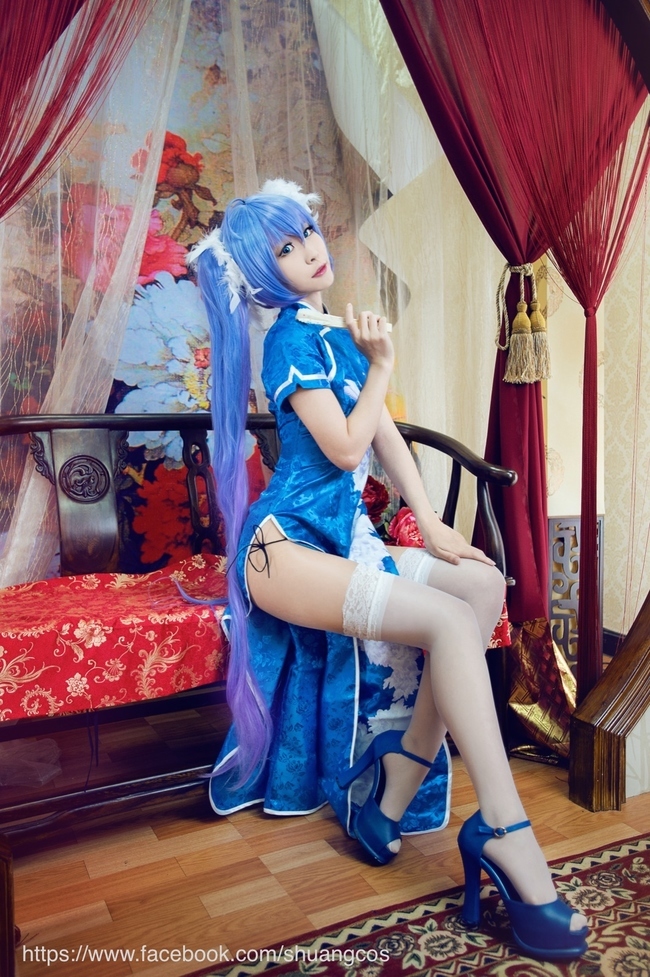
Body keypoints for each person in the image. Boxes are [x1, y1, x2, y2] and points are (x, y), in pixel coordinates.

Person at [187, 179, 588, 961]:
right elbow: (345, 449)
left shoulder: (337, 332)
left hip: (343, 540)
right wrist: (382, 364)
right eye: (286, 247)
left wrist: (431, 522)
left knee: (480, 584)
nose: (311, 248)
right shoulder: (288, 342)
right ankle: (505, 829)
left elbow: (385, 437)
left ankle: (391, 793)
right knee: (446, 618)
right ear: (264, 273)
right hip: (285, 547)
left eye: (307, 231)